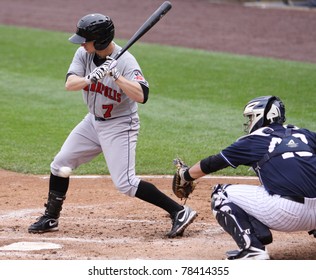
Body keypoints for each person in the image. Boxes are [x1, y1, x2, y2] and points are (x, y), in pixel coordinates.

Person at [28, 13, 197, 238]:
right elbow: (70, 84)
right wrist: (91, 78)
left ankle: (179, 211)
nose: (81, 44)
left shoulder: (126, 62)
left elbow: (142, 95)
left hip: (120, 125)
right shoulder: (82, 54)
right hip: (92, 122)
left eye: (85, 39)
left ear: (99, 40)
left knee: (126, 183)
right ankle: (51, 217)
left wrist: (117, 76)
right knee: (60, 164)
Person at [176, 95, 316, 259]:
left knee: (221, 193)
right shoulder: (304, 134)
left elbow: (213, 163)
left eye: (250, 118)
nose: (249, 123)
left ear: (261, 116)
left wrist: (185, 175)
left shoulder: (256, 139)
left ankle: (253, 250)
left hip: (287, 215)